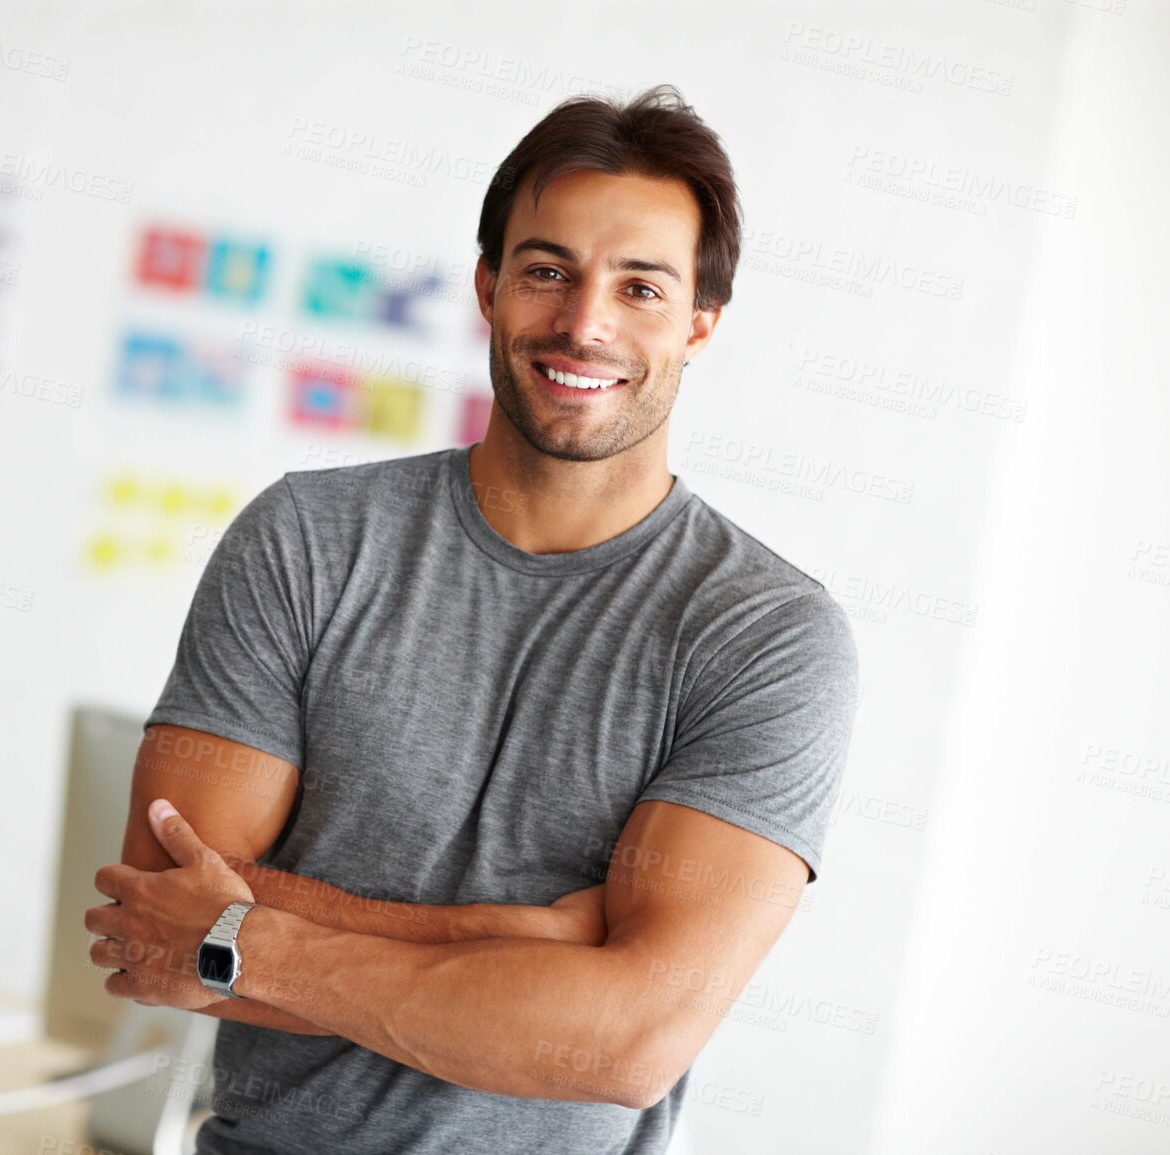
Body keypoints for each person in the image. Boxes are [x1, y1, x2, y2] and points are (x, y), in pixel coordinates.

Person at [86, 83, 862, 1155]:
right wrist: (526, 941)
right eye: (546, 271)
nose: (583, 323)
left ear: (698, 324)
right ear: (489, 287)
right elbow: (159, 929)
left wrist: (247, 936)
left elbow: (628, 1044)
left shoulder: (764, 636)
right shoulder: (306, 541)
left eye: (639, 287)